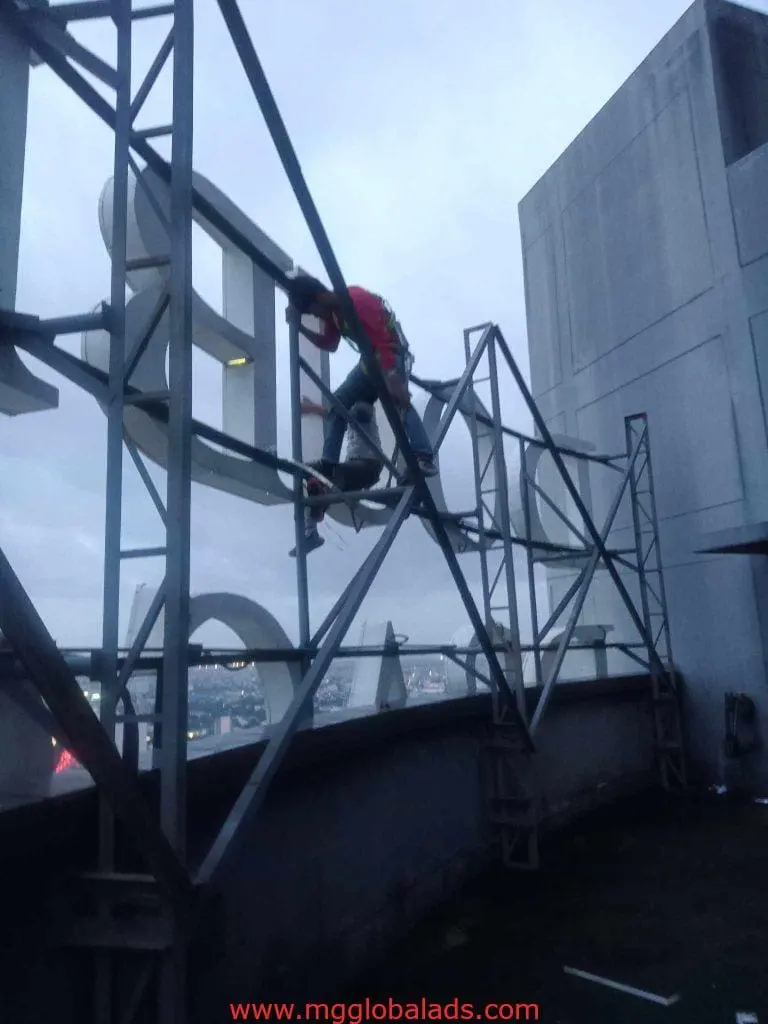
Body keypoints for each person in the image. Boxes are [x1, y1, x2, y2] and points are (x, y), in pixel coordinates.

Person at [286, 276, 437, 480]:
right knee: (338, 403)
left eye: (314, 311)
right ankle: (328, 464)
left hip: (391, 353)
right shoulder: (334, 313)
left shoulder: (355, 299)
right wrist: (299, 327)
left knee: (397, 400)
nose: (318, 316)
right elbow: (330, 344)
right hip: (369, 361)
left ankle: (424, 457)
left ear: (319, 298)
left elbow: (383, 339)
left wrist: (391, 376)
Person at [289, 400, 384, 557]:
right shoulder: (352, 409)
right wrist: (317, 410)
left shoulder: (362, 406)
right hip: (356, 467)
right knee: (312, 486)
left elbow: (347, 416)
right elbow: (337, 417)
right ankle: (311, 531)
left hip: (368, 466)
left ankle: (318, 508)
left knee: (312, 470)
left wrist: (314, 408)